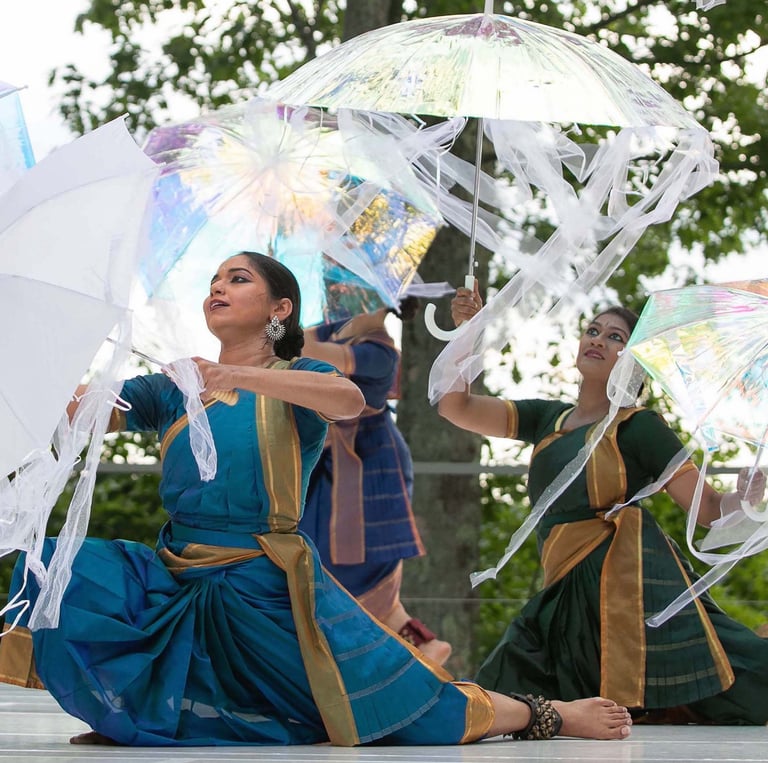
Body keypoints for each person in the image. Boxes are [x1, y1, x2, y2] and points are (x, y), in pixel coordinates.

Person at [0, 252, 633, 746]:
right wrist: (50, 348)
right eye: (214, 280)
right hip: (178, 580)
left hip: (265, 586)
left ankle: (553, 713)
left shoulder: (305, 380)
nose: (217, 287)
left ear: (279, 308)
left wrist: (232, 375)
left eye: (237, 278)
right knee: (61, 571)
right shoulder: (173, 389)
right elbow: (77, 413)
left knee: (405, 707)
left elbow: (350, 402)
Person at [438, 280, 768, 725]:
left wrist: (744, 497)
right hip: (562, 584)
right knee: (501, 691)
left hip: (630, 591)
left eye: (616, 337)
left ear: (633, 359)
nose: (598, 338)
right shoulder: (546, 419)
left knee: (745, 685)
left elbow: (707, 509)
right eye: (593, 330)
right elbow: (455, 406)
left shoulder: (641, 427)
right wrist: (467, 332)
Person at [299, 298, 451, 666]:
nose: (338, 286)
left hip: (369, 464)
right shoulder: (332, 329)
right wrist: (272, 321)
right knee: (313, 559)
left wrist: (274, 319)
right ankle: (404, 646)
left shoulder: (381, 350)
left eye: (350, 279)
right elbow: (288, 345)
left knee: (355, 564)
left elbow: (301, 349)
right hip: (327, 458)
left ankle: (408, 647)